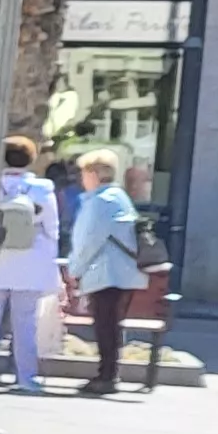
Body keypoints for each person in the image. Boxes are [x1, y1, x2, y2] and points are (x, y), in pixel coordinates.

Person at [67, 146, 152, 397]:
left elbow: (89, 240)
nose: (82, 178)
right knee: (110, 325)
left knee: (105, 325)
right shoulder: (117, 197)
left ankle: (106, 376)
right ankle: (107, 373)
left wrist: (74, 270)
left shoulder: (101, 202)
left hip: (107, 272)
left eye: (84, 173)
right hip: (119, 271)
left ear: (94, 173)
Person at [0, 136, 62, 393]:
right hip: (30, 262)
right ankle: (27, 377)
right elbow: (52, 228)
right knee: (26, 323)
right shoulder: (42, 189)